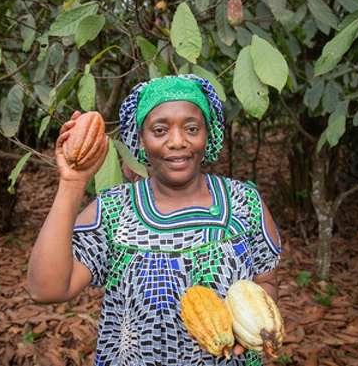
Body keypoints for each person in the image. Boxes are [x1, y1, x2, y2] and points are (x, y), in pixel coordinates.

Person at [27, 74, 282, 366]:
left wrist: (252, 328)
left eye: (192, 128)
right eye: (160, 130)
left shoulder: (244, 203)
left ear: (207, 135)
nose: (177, 141)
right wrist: (72, 182)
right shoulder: (114, 211)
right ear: (141, 140)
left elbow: (266, 281)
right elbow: (45, 290)